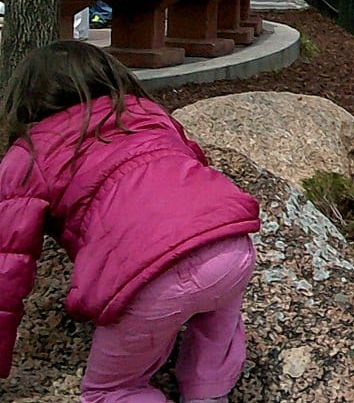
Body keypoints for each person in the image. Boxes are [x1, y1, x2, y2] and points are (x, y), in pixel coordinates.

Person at [0, 41, 261, 401]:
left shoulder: (27, 155)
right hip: (229, 247)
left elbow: (7, 267)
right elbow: (194, 163)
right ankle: (208, 390)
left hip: (148, 277)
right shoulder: (147, 112)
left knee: (110, 390)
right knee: (217, 314)